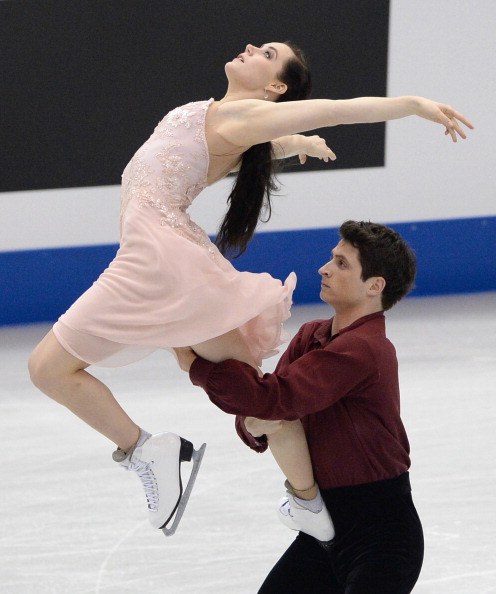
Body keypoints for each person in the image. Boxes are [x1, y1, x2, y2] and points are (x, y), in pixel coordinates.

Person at [28, 41, 472, 537]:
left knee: (49, 369)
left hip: (158, 260)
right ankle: (301, 499)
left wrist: (413, 105)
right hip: (168, 259)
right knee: (257, 399)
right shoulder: (222, 118)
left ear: (275, 87)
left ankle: (151, 453)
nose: (249, 48)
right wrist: (292, 144)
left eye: (266, 53)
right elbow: (228, 152)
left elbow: (338, 110)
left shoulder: (241, 118)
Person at [175, 220, 424, 593]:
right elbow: (261, 408)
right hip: (322, 527)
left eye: (342, 264)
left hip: (382, 538)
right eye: (331, 258)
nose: (325, 268)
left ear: (375, 286)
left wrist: (196, 366)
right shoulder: (312, 335)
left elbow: (271, 399)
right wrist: (252, 425)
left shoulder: (365, 349)